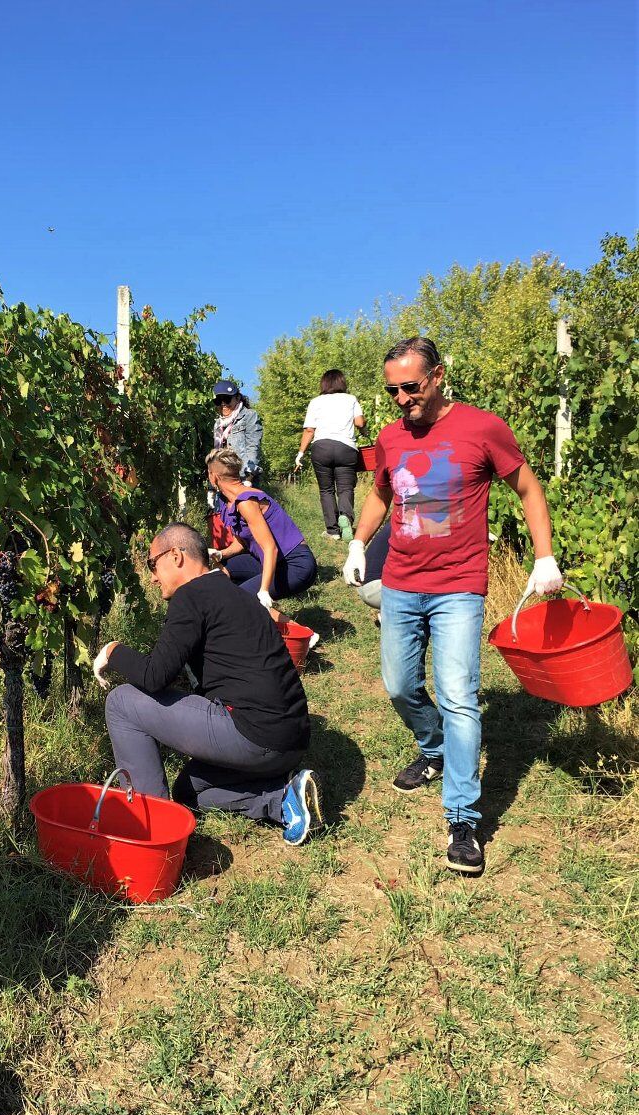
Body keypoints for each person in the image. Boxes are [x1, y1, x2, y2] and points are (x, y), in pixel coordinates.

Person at [342, 337, 563, 875]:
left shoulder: (482, 428)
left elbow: (529, 490)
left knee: (460, 696)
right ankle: (432, 745)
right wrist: (357, 541)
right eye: (392, 389)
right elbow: (381, 492)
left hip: (459, 586)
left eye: (410, 387)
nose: (400, 398)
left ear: (438, 376)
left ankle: (463, 819)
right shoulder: (390, 436)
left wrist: (544, 557)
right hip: (399, 580)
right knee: (398, 685)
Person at [93, 522, 323, 845]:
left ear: (176, 556)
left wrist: (112, 651)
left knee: (121, 703)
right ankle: (282, 799)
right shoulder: (239, 597)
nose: (153, 576)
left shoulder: (191, 596)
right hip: (292, 742)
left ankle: (152, 828)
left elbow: (154, 676)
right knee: (189, 790)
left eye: (152, 564)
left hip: (254, 735)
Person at [206, 449, 318, 610]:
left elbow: (270, 548)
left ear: (213, 476)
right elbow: (241, 544)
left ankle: (301, 634)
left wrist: (264, 590)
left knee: (237, 600)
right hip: (270, 561)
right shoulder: (227, 502)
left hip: (295, 564)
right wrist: (221, 553)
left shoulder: (246, 501)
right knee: (218, 572)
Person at [294, 369, 366, 541]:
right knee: (345, 488)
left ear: (324, 384)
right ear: (342, 382)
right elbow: (359, 422)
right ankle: (346, 518)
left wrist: (300, 453)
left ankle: (332, 531)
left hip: (322, 448)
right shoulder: (351, 399)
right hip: (346, 449)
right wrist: (364, 429)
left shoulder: (316, 402)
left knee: (326, 490)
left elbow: (309, 430)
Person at [212, 381, 262, 483]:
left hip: (243, 477)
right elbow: (217, 453)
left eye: (227, 399)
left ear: (237, 398)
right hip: (224, 479)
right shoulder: (218, 424)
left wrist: (249, 478)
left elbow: (253, 446)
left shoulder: (249, 416)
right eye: (218, 401)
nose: (223, 404)